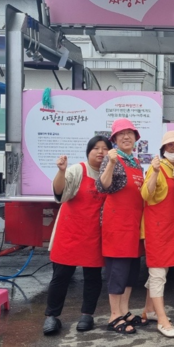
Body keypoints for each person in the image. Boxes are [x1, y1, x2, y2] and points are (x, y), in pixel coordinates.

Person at [43, 135, 112, 335]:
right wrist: (61, 171)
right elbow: (60, 193)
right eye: (96, 148)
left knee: (93, 277)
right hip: (70, 232)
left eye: (105, 148)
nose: (100, 152)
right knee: (61, 276)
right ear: (88, 151)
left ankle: (87, 315)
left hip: (94, 234)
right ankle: (52, 316)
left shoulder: (109, 173)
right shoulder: (77, 170)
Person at [97, 119, 145, 334]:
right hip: (117, 224)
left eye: (130, 133)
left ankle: (124, 311)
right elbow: (103, 186)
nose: (126, 137)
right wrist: (111, 163)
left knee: (131, 271)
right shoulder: (111, 158)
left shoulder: (136, 162)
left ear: (135, 138)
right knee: (117, 271)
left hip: (133, 224)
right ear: (114, 139)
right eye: (121, 134)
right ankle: (114, 315)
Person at [140, 130, 174, 338]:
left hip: (170, 227)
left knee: (162, 271)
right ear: (163, 149)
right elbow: (146, 194)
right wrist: (155, 172)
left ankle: (149, 310)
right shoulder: (157, 167)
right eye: (170, 145)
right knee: (158, 273)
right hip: (156, 228)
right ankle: (162, 319)